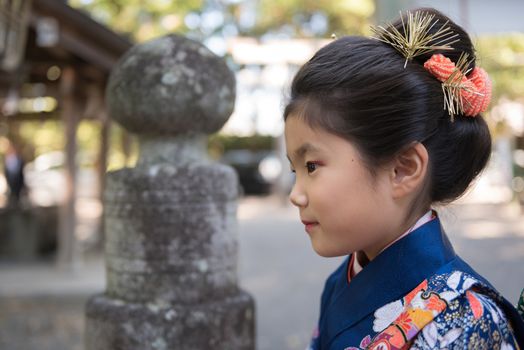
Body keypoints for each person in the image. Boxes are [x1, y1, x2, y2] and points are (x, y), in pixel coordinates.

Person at [283, 8, 524, 350]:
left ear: (403, 169)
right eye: (295, 170)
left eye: (311, 167)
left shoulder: (468, 321)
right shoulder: (343, 281)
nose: (296, 195)